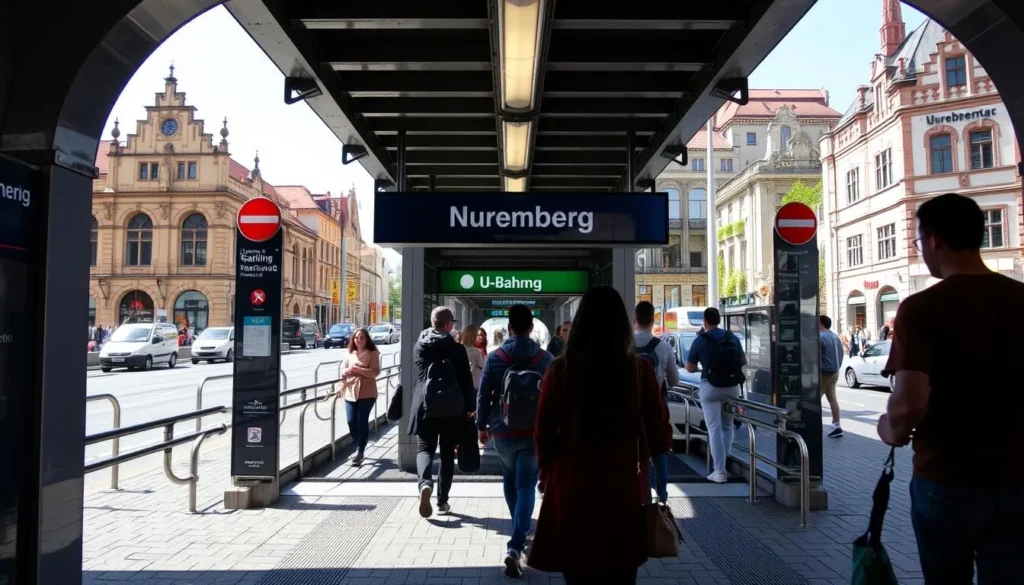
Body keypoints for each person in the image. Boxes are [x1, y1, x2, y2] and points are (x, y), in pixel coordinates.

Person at [878, 193, 1024, 584]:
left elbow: (909, 403)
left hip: (947, 477)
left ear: (934, 241)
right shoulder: (1019, 299)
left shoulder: (921, 308)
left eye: (918, 241)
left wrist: (888, 429)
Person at [529, 286, 671, 584]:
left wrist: (546, 472)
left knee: (578, 572)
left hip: (571, 487)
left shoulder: (560, 370)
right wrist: (655, 473)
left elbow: (543, 431)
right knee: (620, 572)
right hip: (621, 490)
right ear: (623, 324)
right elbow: (658, 432)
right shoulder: (638, 370)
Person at [476, 305, 553, 578]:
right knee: (526, 486)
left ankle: (516, 536)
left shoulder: (496, 357)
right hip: (534, 432)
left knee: (510, 480)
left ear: (509, 327)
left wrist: (482, 426)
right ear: (531, 328)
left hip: (503, 430)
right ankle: (517, 540)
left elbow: (484, 394)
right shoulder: (546, 359)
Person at [408, 306, 475, 518]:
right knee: (447, 454)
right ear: (448, 325)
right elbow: (466, 382)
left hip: (425, 406)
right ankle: (442, 502)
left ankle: (424, 484)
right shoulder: (457, 349)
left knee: (425, 448)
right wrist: (471, 408)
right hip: (453, 409)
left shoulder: (419, 346)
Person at [685, 307, 747, 483]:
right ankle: (724, 461)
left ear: (705, 321)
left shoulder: (701, 340)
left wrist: (704, 366)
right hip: (733, 387)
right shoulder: (731, 337)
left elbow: (689, 368)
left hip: (710, 387)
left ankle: (719, 471)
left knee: (714, 428)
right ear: (719, 320)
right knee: (728, 426)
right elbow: (743, 361)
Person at [634, 300, 680, 503]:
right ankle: (662, 495)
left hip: (629, 408)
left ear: (635, 320)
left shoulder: (624, 345)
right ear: (653, 320)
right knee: (659, 448)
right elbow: (674, 379)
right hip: (656, 406)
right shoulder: (663, 346)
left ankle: (636, 492)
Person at [336, 327, 381, 466]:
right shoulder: (349, 353)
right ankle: (358, 444)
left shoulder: (373, 353)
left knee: (362, 421)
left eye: (362, 337)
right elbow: (343, 368)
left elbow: (375, 372)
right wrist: (344, 375)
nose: (359, 340)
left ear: (367, 339)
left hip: (367, 392)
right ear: (353, 339)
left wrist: (359, 370)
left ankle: (360, 451)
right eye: (356, 337)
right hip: (350, 391)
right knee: (351, 421)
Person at [818, 315, 844, 438]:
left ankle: (814, 425)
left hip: (824, 372)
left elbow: (816, 356)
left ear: (821, 323)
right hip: (834, 371)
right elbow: (841, 353)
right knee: (832, 398)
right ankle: (837, 425)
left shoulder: (820, 337)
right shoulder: (835, 337)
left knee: (814, 399)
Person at [460, 324, 486, 389]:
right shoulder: (475, 351)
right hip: (474, 384)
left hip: (461, 384)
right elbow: (483, 367)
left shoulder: (459, 349)